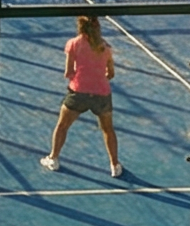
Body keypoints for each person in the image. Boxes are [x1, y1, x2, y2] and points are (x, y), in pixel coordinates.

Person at [38, 13, 125, 177]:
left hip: (78, 93)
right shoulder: (105, 48)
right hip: (102, 95)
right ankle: (115, 165)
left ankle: (53, 158)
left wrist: (79, 80)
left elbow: (68, 72)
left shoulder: (73, 44)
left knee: (62, 126)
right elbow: (110, 73)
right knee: (108, 130)